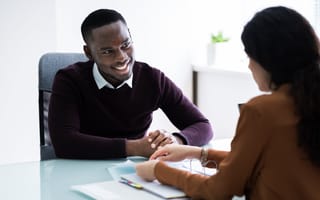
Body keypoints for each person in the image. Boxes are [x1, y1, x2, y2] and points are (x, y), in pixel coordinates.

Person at [136, 6, 320, 199]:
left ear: (269, 59)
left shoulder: (262, 111)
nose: (249, 65)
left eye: (249, 56)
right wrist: (197, 153)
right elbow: (266, 164)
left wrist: (159, 171)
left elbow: (218, 191)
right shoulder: (306, 102)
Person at [48, 9, 213, 159]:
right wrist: (134, 147)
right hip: (81, 168)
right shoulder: (69, 80)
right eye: (107, 51)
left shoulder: (152, 79)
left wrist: (175, 141)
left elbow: (202, 126)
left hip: (134, 171)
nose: (121, 57)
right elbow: (64, 143)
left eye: (125, 45)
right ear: (89, 53)